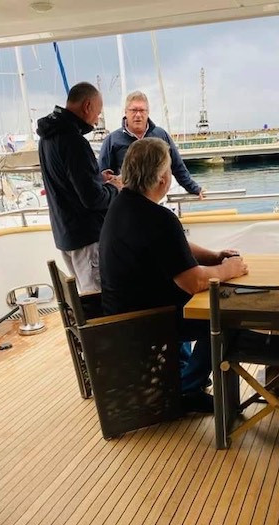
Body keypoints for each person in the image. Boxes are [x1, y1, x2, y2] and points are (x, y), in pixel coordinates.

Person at [99, 138, 248, 414]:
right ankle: (186, 390)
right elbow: (193, 282)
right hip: (147, 321)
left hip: (121, 315)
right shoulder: (158, 218)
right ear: (163, 179)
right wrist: (230, 269)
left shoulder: (123, 206)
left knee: (198, 308)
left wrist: (214, 256)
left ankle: (182, 379)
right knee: (225, 320)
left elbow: (174, 246)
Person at [37, 81, 122, 292]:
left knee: (86, 296)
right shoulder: (74, 141)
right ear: (87, 106)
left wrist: (98, 178)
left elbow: (64, 181)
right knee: (98, 298)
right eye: (98, 113)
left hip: (66, 235)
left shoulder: (47, 137)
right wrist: (116, 188)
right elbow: (93, 199)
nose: (97, 120)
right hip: (87, 238)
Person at [98, 90, 203, 198]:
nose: (138, 115)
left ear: (148, 112)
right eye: (134, 110)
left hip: (158, 200)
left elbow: (177, 166)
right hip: (127, 200)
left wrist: (194, 188)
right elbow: (102, 174)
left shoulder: (161, 136)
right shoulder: (112, 140)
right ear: (125, 112)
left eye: (142, 110)